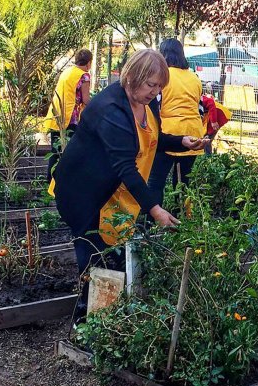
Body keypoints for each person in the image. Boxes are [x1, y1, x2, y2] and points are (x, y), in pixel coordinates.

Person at [51, 49, 207, 320]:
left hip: (113, 192)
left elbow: (152, 138)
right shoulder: (110, 108)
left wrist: (180, 141)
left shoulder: (147, 104)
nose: (155, 91)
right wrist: (155, 209)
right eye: (151, 84)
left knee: (113, 254)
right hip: (84, 193)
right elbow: (125, 166)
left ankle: (106, 314)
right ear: (133, 76)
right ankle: (85, 321)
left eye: (159, 86)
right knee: (94, 256)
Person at [148, 39, 204, 205]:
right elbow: (200, 108)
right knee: (183, 183)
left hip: (168, 134)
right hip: (193, 134)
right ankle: (181, 223)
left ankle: (151, 222)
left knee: (155, 182)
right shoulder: (194, 77)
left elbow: (155, 105)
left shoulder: (163, 77)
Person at [44, 49, 93, 182]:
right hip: (71, 117)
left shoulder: (67, 72)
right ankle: (66, 180)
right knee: (71, 149)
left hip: (57, 114)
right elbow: (86, 100)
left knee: (56, 149)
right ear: (89, 63)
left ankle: (50, 180)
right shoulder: (84, 76)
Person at [199, 82, 232, 154]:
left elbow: (211, 103)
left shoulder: (200, 99)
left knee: (206, 138)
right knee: (205, 137)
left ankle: (208, 158)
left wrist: (214, 121)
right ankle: (207, 157)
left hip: (218, 115)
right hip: (211, 117)